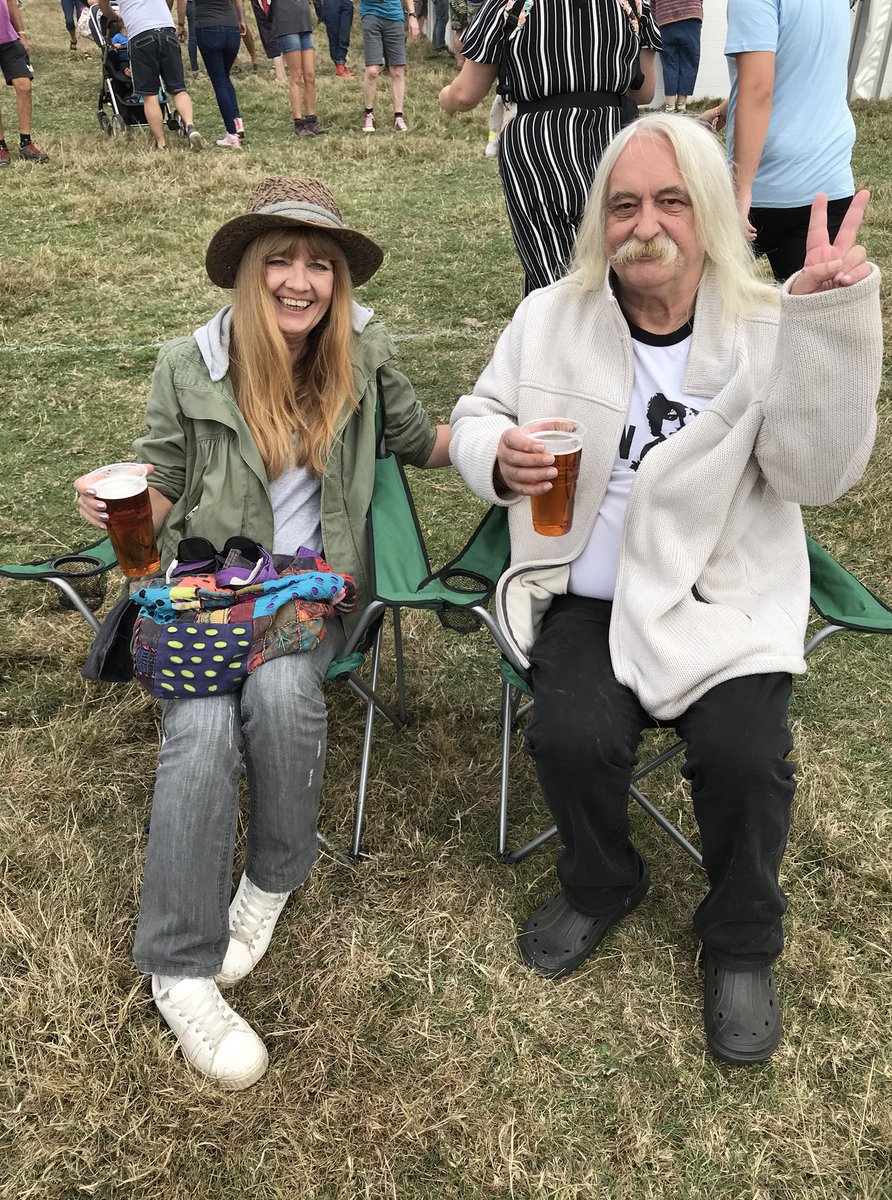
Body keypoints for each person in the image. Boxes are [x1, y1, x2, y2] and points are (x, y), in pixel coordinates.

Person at [449, 115, 881, 1065]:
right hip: (588, 595)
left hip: (719, 597)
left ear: (711, 216)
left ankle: (739, 941)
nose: (648, 223)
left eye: (672, 201)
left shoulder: (764, 324)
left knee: (744, 756)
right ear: (601, 222)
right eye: (626, 204)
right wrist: (495, 454)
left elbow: (817, 474)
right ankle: (602, 883)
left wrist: (825, 329)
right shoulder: (548, 318)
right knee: (570, 734)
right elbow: (476, 414)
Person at [74, 177, 452, 1090]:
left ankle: (268, 883)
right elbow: (160, 488)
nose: (299, 279)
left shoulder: (363, 354)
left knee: (283, 686)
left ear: (337, 281)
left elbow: (422, 442)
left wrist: (500, 443)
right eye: (280, 258)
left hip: (315, 597)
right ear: (249, 270)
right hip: (212, 595)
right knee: (203, 724)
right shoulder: (189, 363)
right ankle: (179, 969)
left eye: (318, 263)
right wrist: (117, 507)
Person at [439, 0, 660, 294]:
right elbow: (644, 92)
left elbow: (466, 94)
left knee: (551, 271)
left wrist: (446, 99)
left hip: (539, 147)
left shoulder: (509, 5)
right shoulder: (633, 5)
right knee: (616, 258)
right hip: (613, 137)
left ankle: (552, 331)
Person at [699, 0, 856, 282]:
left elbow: (758, 89)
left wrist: (740, 189)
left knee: (698, 300)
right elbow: (794, 69)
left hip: (766, 185)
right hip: (830, 181)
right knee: (807, 316)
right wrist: (722, 113)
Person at [97, 0, 203, 150]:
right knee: (179, 89)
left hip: (141, 36)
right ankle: (190, 126)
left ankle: (161, 142)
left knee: (149, 94)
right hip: (167, 32)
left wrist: (115, 17)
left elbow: (103, 5)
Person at [178, 0, 247, 148]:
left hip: (208, 27)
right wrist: (241, 20)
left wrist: (181, 24)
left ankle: (231, 134)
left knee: (220, 82)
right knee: (225, 77)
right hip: (231, 26)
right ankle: (237, 123)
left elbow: (182, 2)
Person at [0, 0, 49, 164]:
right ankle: (1, 146)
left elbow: (10, 2)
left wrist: (21, 33)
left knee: (24, 86)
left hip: (8, 39)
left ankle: (26, 143)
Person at [360, 0, 419, 133]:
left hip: (394, 16)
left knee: (397, 70)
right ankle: (368, 113)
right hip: (371, 15)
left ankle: (398, 115)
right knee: (372, 70)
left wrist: (412, 15)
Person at [271, 0, 326, 135]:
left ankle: (311, 119)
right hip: (286, 23)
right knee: (296, 75)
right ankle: (298, 121)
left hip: (304, 23)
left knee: (310, 75)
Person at [654, 0, 701, 112]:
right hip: (690, 16)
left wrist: (655, 19)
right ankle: (681, 105)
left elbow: (652, 4)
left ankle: (670, 106)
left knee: (669, 63)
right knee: (689, 62)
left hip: (665, 19)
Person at [322, 0, 353, 76]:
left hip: (347, 2)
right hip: (331, 3)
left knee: (345, 34)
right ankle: (339, 64)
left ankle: (341, 63)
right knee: (334, 34)